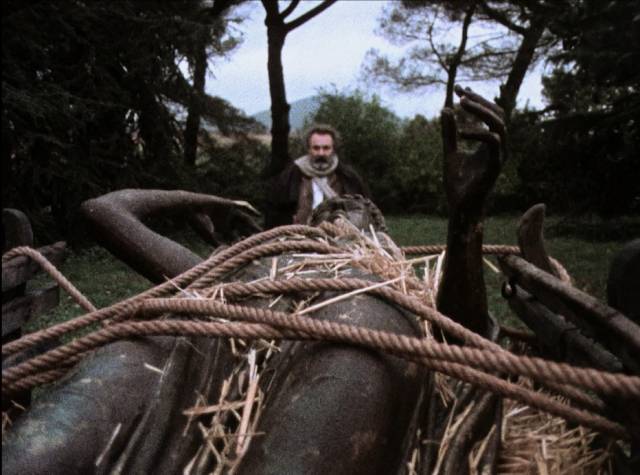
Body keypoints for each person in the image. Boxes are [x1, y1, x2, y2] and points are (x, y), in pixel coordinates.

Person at [266, 124, 370, 227]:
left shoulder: (348, 177)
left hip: (338, 238)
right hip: (298, 237)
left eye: (326, 148)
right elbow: (275, 213)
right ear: (308, 149)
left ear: (333, 149)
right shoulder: (290, 175)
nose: (321, 153)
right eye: (316, 148)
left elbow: (363, 211)